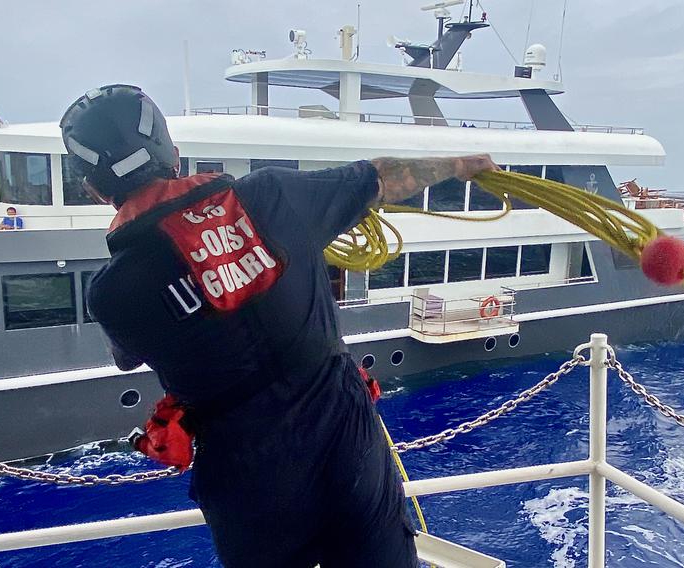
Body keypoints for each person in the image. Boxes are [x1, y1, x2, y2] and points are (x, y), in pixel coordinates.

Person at [61, 84, 497, 568]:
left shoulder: (113, 291)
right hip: (345, 440)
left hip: (248, 475)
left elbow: (130, 355)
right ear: (175, 155)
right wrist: (461, 165)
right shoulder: (272, 195)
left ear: (94, 189)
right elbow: (381, 176)